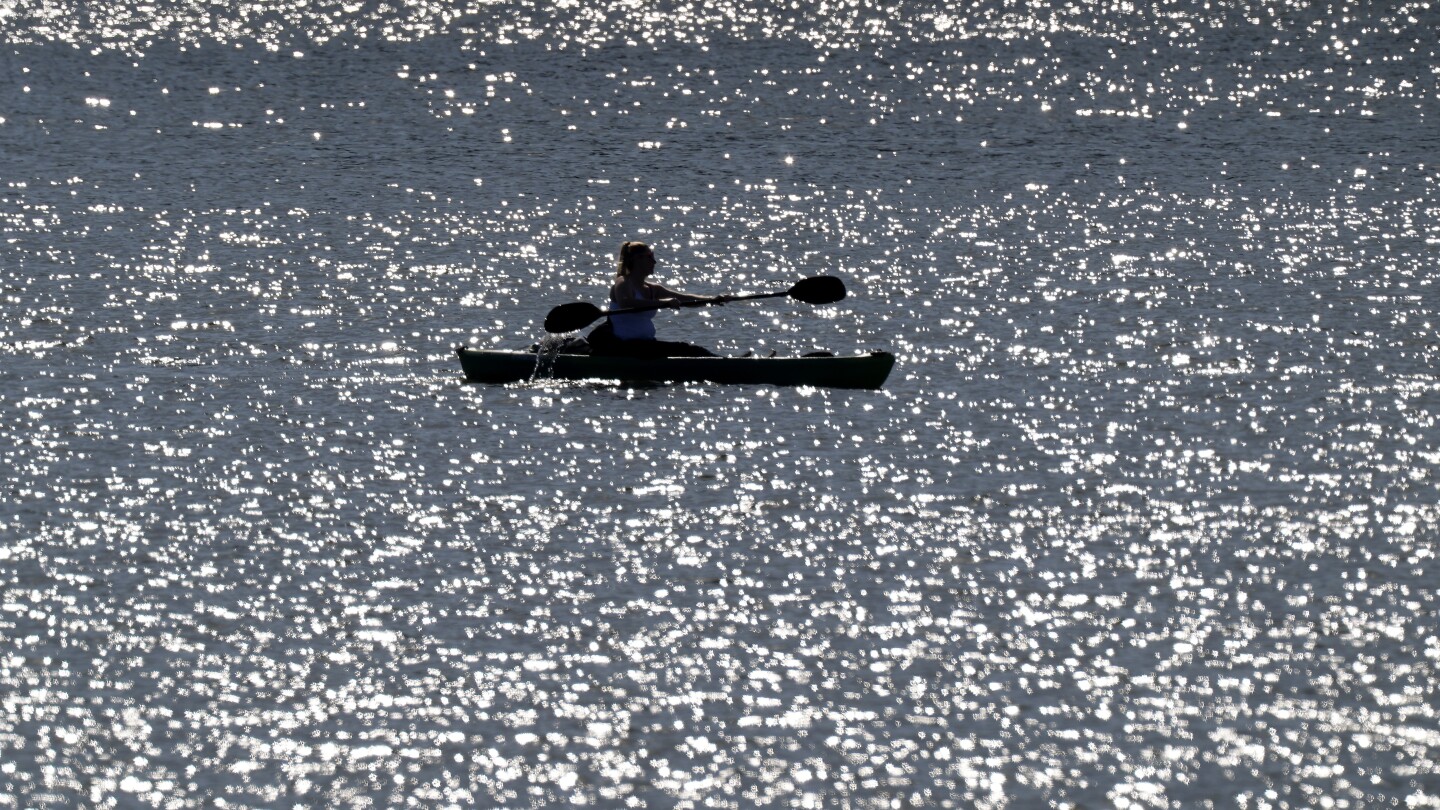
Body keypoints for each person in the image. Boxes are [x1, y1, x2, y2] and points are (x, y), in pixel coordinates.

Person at [587, 241, 726, 357]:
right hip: (624, 346)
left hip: (646, 344)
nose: (654, 261)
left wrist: (713, 299)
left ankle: (724, 362)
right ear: (636, 259)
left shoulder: (653, 289)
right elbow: (626, 303)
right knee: (685, 349)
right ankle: (725, 365)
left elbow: (685, 299)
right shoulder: (623, 282)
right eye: (649, 256)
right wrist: (663, 303)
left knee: (688, 350)